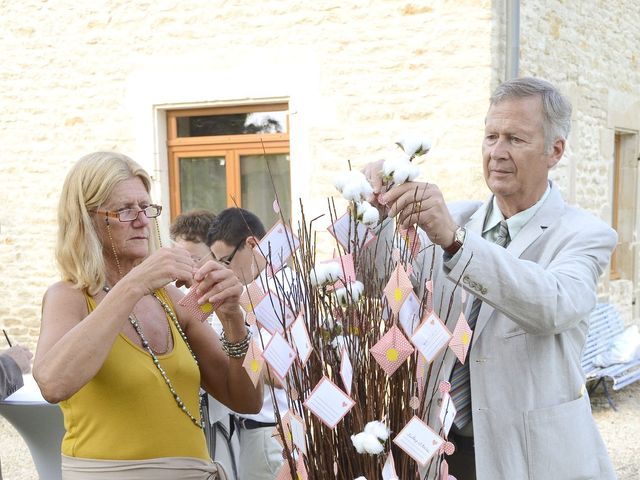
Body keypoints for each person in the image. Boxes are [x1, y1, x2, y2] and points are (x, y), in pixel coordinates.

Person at [365, 77, 616, 479]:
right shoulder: (454, 219)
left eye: (515, 139)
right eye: (490, 136)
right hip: (445, 454)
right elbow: (385, 288)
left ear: (555, 151)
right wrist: (373, 216)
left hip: (535, 460)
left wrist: (456, 244)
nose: (497, 152)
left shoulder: (585, 234)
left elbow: (550, 305)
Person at [33, 152, 262, 480]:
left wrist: (235, 321)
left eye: (146, 208)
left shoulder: (172, 299)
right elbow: (53, 384)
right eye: (125, 210)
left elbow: (250, 399)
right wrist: (133, 284)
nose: (142, 220)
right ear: (87, 218)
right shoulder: (68, 296)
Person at [207, 208, 292, 480]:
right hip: (251, 429)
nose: (224, 270)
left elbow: (284, 372)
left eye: (227, 261)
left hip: (270, 428)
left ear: (252, 244)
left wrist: (228, 352)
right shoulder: (248, 291)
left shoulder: (284, 289)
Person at [170, 210, 240, 480]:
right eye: (179, 256)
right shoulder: (170, 297)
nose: (188, 267)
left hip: (222, 422)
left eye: (195, 259)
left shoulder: (230, 301)